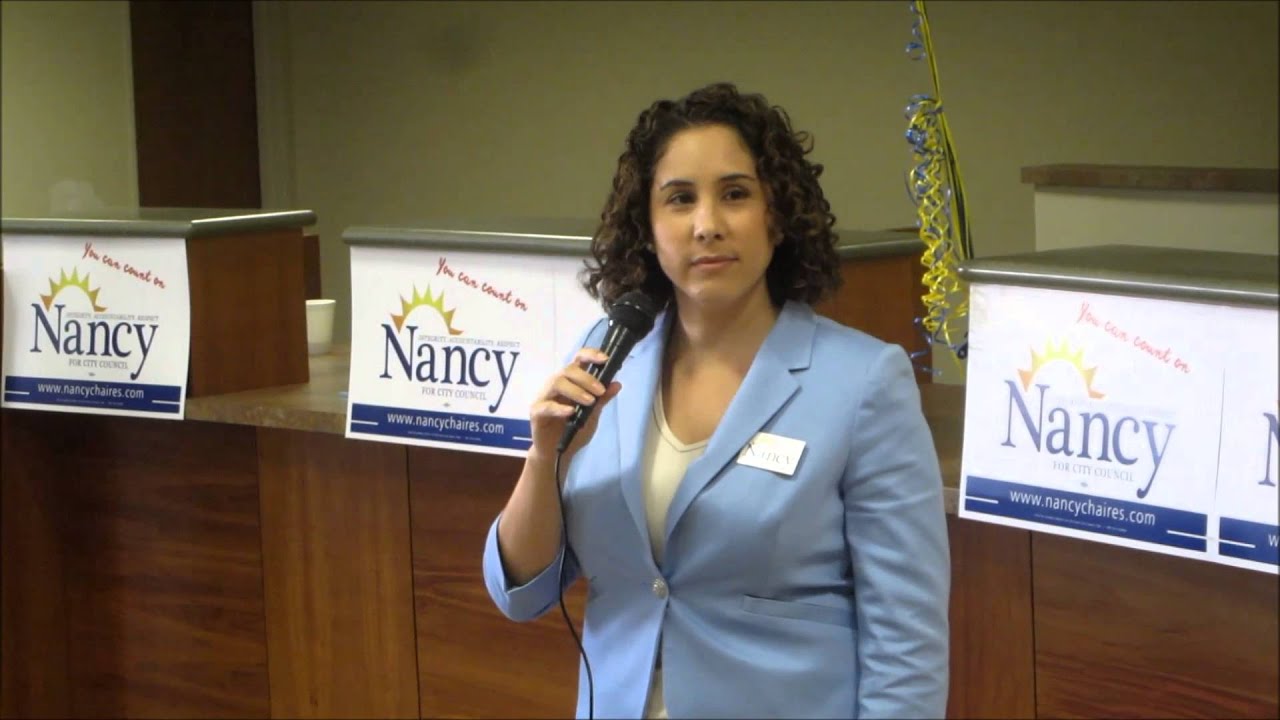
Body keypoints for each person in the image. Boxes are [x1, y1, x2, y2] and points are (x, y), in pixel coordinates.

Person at [482, 82, 950, 719]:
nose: (707, 224)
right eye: (679, 199)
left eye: (735, 193)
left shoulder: (864, 380)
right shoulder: (607, 351)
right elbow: (522, 593)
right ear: (647, 228)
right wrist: (544, 458)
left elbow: (908, 641)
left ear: (776, 215)